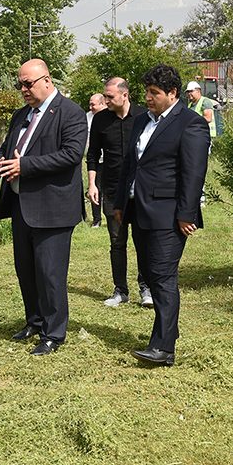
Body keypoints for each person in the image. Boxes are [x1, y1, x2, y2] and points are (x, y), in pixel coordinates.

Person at [0, 59, 86, 356]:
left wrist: (24, 166)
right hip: (22, 206)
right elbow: (8, 147)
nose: (23, 89)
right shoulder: (21, 115)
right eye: (20, 84)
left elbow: (71, 154)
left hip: (53, 209)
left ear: (47, 80)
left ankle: (54, 333)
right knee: (26, 270)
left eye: (28, 83)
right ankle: (35, 321)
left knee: (50, 273)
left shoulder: (71, 113)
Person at [114, 64, 209, 366]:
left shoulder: (190, 123)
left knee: (163, 277)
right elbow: (130, 165)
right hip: (139, 211)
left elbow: (194, 174)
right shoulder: (142, 120)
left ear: (173, 93)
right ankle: (169, 332)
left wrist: (186, 213)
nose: (148, 97)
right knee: (151, 275)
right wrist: (119, 203)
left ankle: (163, 348)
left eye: (155, 93)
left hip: (170, 216)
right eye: (147, 92)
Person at [87, 77, 151, 308]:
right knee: (117, 241)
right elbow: (93, 154)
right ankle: (120, 290)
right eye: (105, 96)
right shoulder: (100, 120)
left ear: (125, 95)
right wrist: (92, 184)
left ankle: (146, 288)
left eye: (110, 97)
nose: (106, 100)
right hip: (112, 190)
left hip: (140, 189)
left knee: (143, 240)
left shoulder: (144, 117)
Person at [85, 93, 107, 227]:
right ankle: (96, 219)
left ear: (102, 104)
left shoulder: (109, 116)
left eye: (93, 104)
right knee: (94, 188)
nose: (90, 107)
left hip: (109, 160)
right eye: (90, 104)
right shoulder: (87, 117)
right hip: (95, 160)